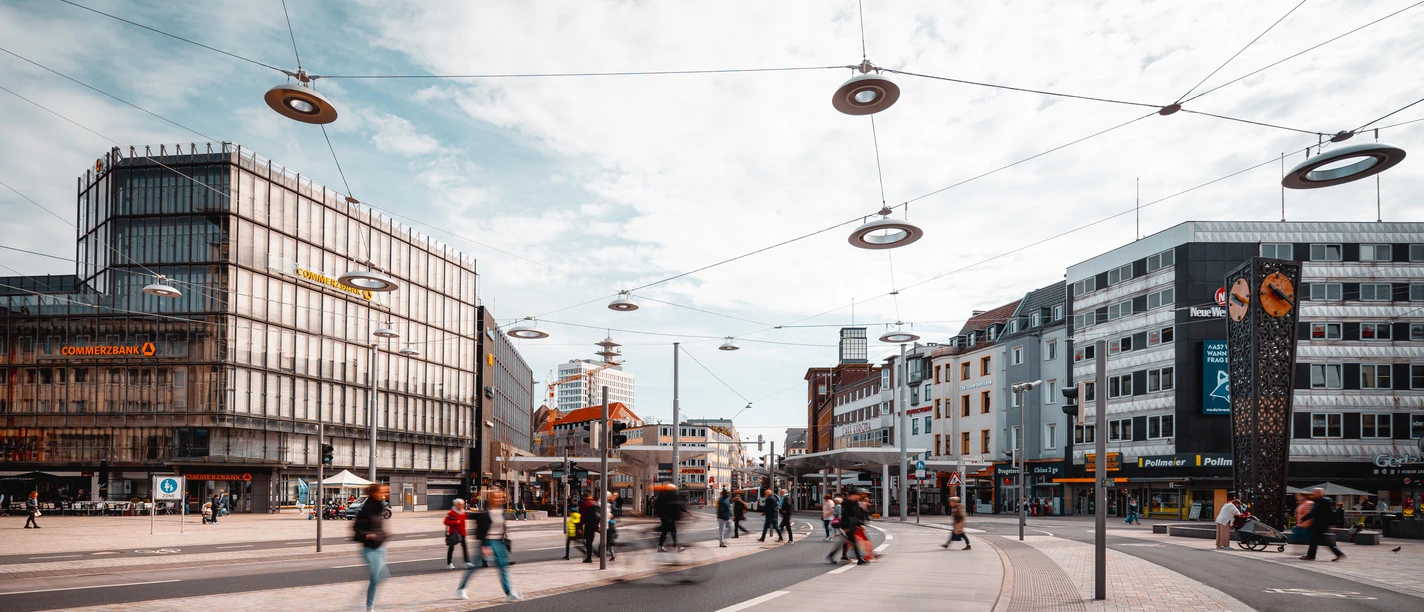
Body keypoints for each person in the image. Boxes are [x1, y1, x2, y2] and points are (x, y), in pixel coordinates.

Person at [457, 491, 523, 602]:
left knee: (503, 567)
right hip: (487, 541)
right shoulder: (484, 514)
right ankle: (461, 588)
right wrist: (484, 545)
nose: (500, 499)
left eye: (501, 497)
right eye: (497, 497)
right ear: (492, 499)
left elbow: (502, 528)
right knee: (475, 566)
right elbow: (478, 531)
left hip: (499, 541)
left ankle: (508, 593)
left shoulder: (500, 512)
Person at [353, 483, 390, 612]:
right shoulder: (365, 510)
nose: (384, 495)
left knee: (383, 575)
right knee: (375, 577)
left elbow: (379, 524)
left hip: (380, 547)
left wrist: (384, 534)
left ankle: (368, 600)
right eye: (381, 493)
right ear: (374, 494)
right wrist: (367, 535)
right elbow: (356, 529)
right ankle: (370, 607)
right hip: (369, 549)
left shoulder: (379, 508)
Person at [1302, 488, 1346, 562]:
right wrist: (1304, 519)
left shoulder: (1324, 502)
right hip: (1317, 523)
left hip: (1321, 524)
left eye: (1315, 492)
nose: (1313, 494)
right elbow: (1312, 513)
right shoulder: (1317, 501)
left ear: (1320, 493)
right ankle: (1311, 555)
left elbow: (1330, 513)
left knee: (1318, 540)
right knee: (1316, 540)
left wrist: (1334, 523)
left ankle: (1311, 556)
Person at [654, 484, 685, 552]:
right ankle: (676, 547)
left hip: (665, 517)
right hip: (669, 517)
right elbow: (676, 505)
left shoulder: (662, 496)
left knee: (665, 532)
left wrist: (661, 515)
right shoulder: (671, 496)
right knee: (672, 531)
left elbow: (658, 506)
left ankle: (660, 547)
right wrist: (684, 511)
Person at [444, 499, 469, 569]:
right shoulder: (451, 513)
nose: (461, 506)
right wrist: (455, 522)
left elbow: (463, 524)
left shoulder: (463, 513)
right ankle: (449, 563)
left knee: (464, 547)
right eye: (460, 504)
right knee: (451, 548)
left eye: (462, 504)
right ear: (456, 505)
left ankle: (467, 562)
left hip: (461, 533)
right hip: (454, 533)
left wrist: (464, 532)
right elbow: (446, 522)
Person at [578, 493, 599, 562]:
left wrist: (580, 527)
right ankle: (595, 553)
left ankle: (589, 557)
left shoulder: (586, 504)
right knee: (590, 541)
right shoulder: (596, 503)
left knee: (588, 542)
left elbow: (582, 516)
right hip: (595, 525)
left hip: (588, 524)